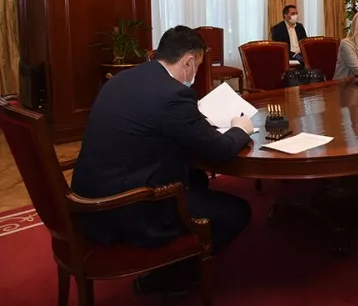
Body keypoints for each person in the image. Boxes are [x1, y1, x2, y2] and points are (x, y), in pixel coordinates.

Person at [71, 26, 254, 295]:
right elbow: (220, 150)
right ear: (188, 61)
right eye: (197, 66)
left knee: (196, 179)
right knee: (238, 212)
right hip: (127, 207)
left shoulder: (122, 79)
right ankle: (174, 277)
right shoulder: (173, 95)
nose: (195, 73)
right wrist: (240, 129)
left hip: (89, 198)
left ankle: (181, 253)